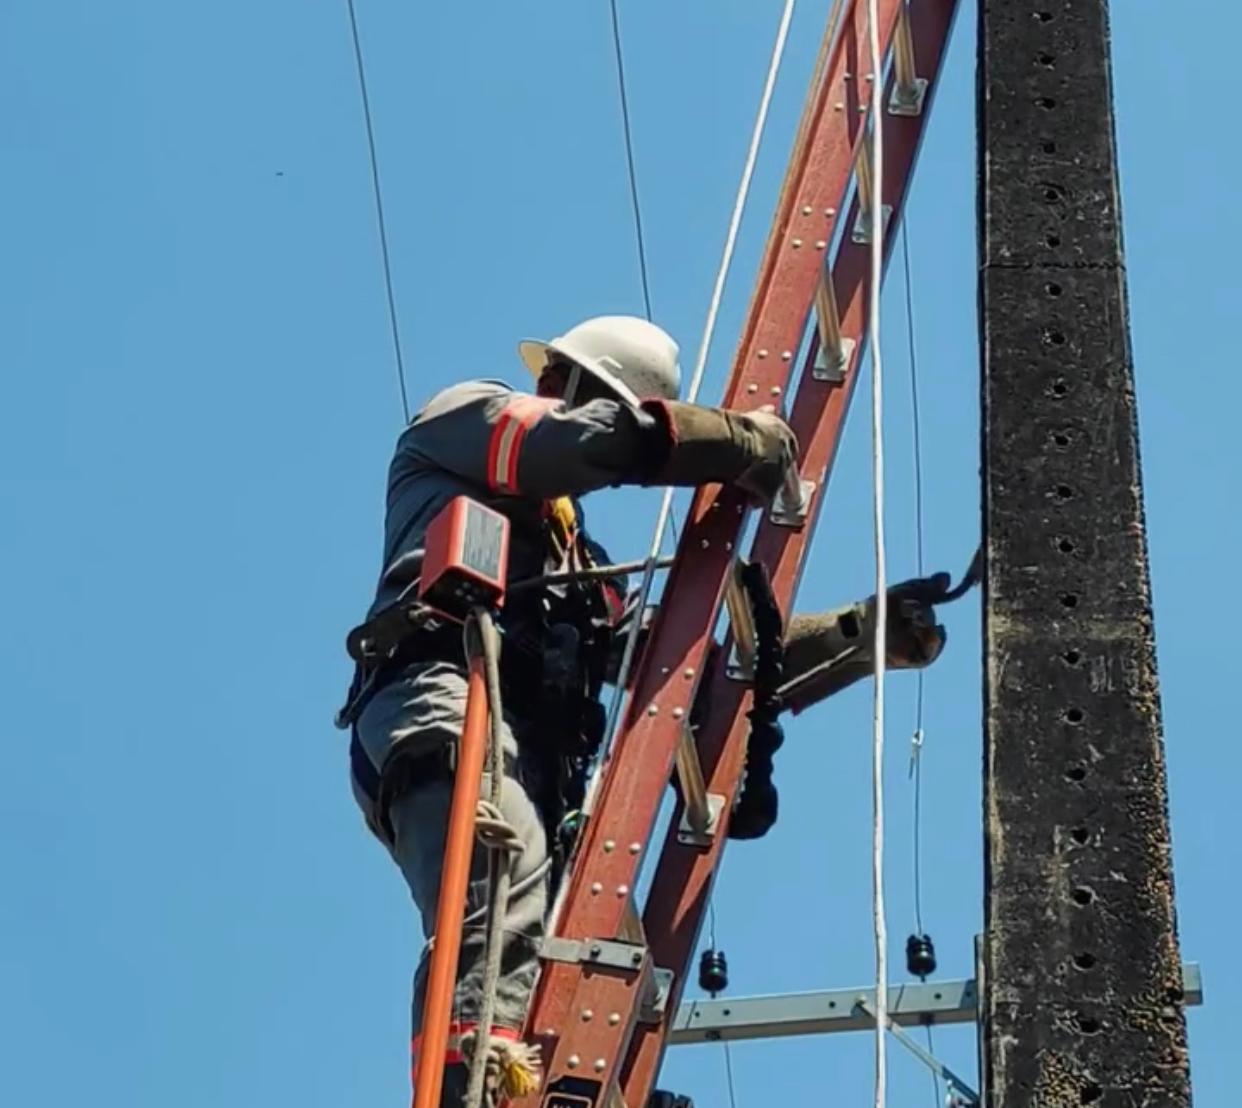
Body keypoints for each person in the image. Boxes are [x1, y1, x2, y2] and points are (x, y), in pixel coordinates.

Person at [337, 315, 949, 1105]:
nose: (562, 401)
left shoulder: (579, 565)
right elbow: (579, 443)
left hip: (530, 763)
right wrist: (736, 442)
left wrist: (857, 635)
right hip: (449, 702)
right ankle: (473, 1089)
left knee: (562, 952)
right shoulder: (466, 420)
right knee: (504, 872)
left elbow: (685, 668)